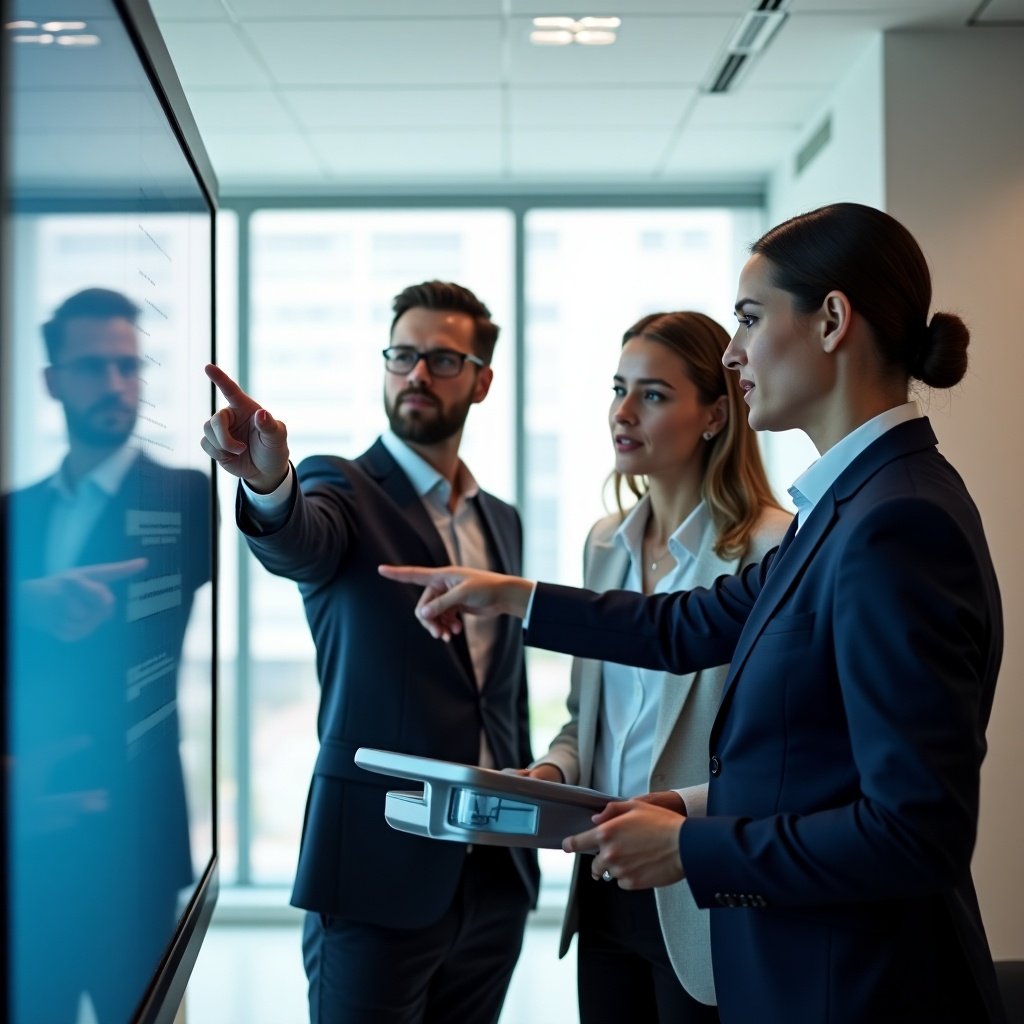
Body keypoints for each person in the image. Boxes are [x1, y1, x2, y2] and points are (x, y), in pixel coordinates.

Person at [380, 204, 1007, 1023]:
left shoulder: (896, 521)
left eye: (748, 318)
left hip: (850, 986)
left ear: (830, 321)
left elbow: (914, 833)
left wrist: (689, 846)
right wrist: (514, 597)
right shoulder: (848, 508)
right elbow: (686, 627)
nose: (734, 351)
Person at [201, 280, 539, 1024]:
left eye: (443, 359)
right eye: (403, 355)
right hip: (377, 871)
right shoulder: (341, 486)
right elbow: (300, 541)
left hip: (494, 875)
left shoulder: (502, 521)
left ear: (482, 380)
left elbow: (499, 692)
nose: (417, 373)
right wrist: (267, 482)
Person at [522, 311, 789, 1022]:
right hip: (605, 880)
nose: (623, 412)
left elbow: (773, 749)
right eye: (618, 388)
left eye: (654, 394)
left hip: (702, 885)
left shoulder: (771, 549)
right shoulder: (603, 543)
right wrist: (552, 773)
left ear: (713, 415)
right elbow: (588, 721)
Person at [6, 287, 210, 1023]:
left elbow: (280, 545)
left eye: (130, 366)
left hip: (136, 834)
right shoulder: (16, 510)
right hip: (30, 830)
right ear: (53, 380)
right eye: (94, 367)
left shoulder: (187, 496)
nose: (118, 385)